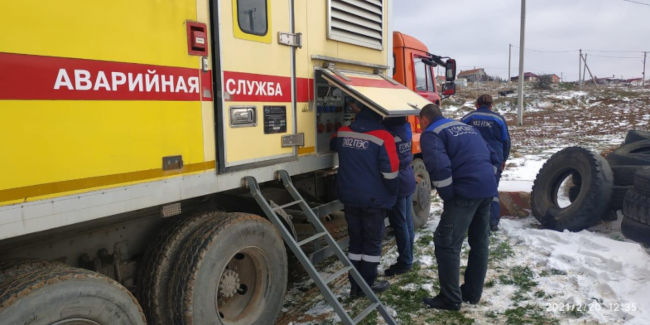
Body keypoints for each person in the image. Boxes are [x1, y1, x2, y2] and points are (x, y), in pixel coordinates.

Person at [418, 103, 497, 310]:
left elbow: (438, 166)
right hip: (487, 189)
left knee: (446, 242)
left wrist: (448, 196)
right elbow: (492, 154)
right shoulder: (465, 127)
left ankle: (450, 298)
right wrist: (488, 179)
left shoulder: (431, 133)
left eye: (420, 123)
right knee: (479, 241)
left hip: (464, 193)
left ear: (424, 120)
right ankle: (471, 293)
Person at [330, 100, 399, 297]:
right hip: (373, 200)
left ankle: (355, 285)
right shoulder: (383, 137)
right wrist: (392, 193)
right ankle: (367, 285)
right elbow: (391, 174)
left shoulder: (343, 132)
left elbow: (332, 143)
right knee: (371, 245)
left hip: (349, 198)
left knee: (355, 243)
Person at [461, 94, 511, 231]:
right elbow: (506, 141)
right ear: (491, 105)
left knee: (471, 189)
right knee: (492, 189)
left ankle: (472, 221)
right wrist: (504, 159)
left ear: (476, 104)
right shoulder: (499, 119)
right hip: (495, 160)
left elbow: (459, 138)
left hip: (472, 160)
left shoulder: (468, 118)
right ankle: (493, 222)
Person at [383, 117, 416, 276]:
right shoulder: (405, 128)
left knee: (400, 223)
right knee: (407, 220)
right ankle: (409, 256)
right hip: (407, 176)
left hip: (397, 180)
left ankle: (405, 261)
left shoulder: (389, 132)